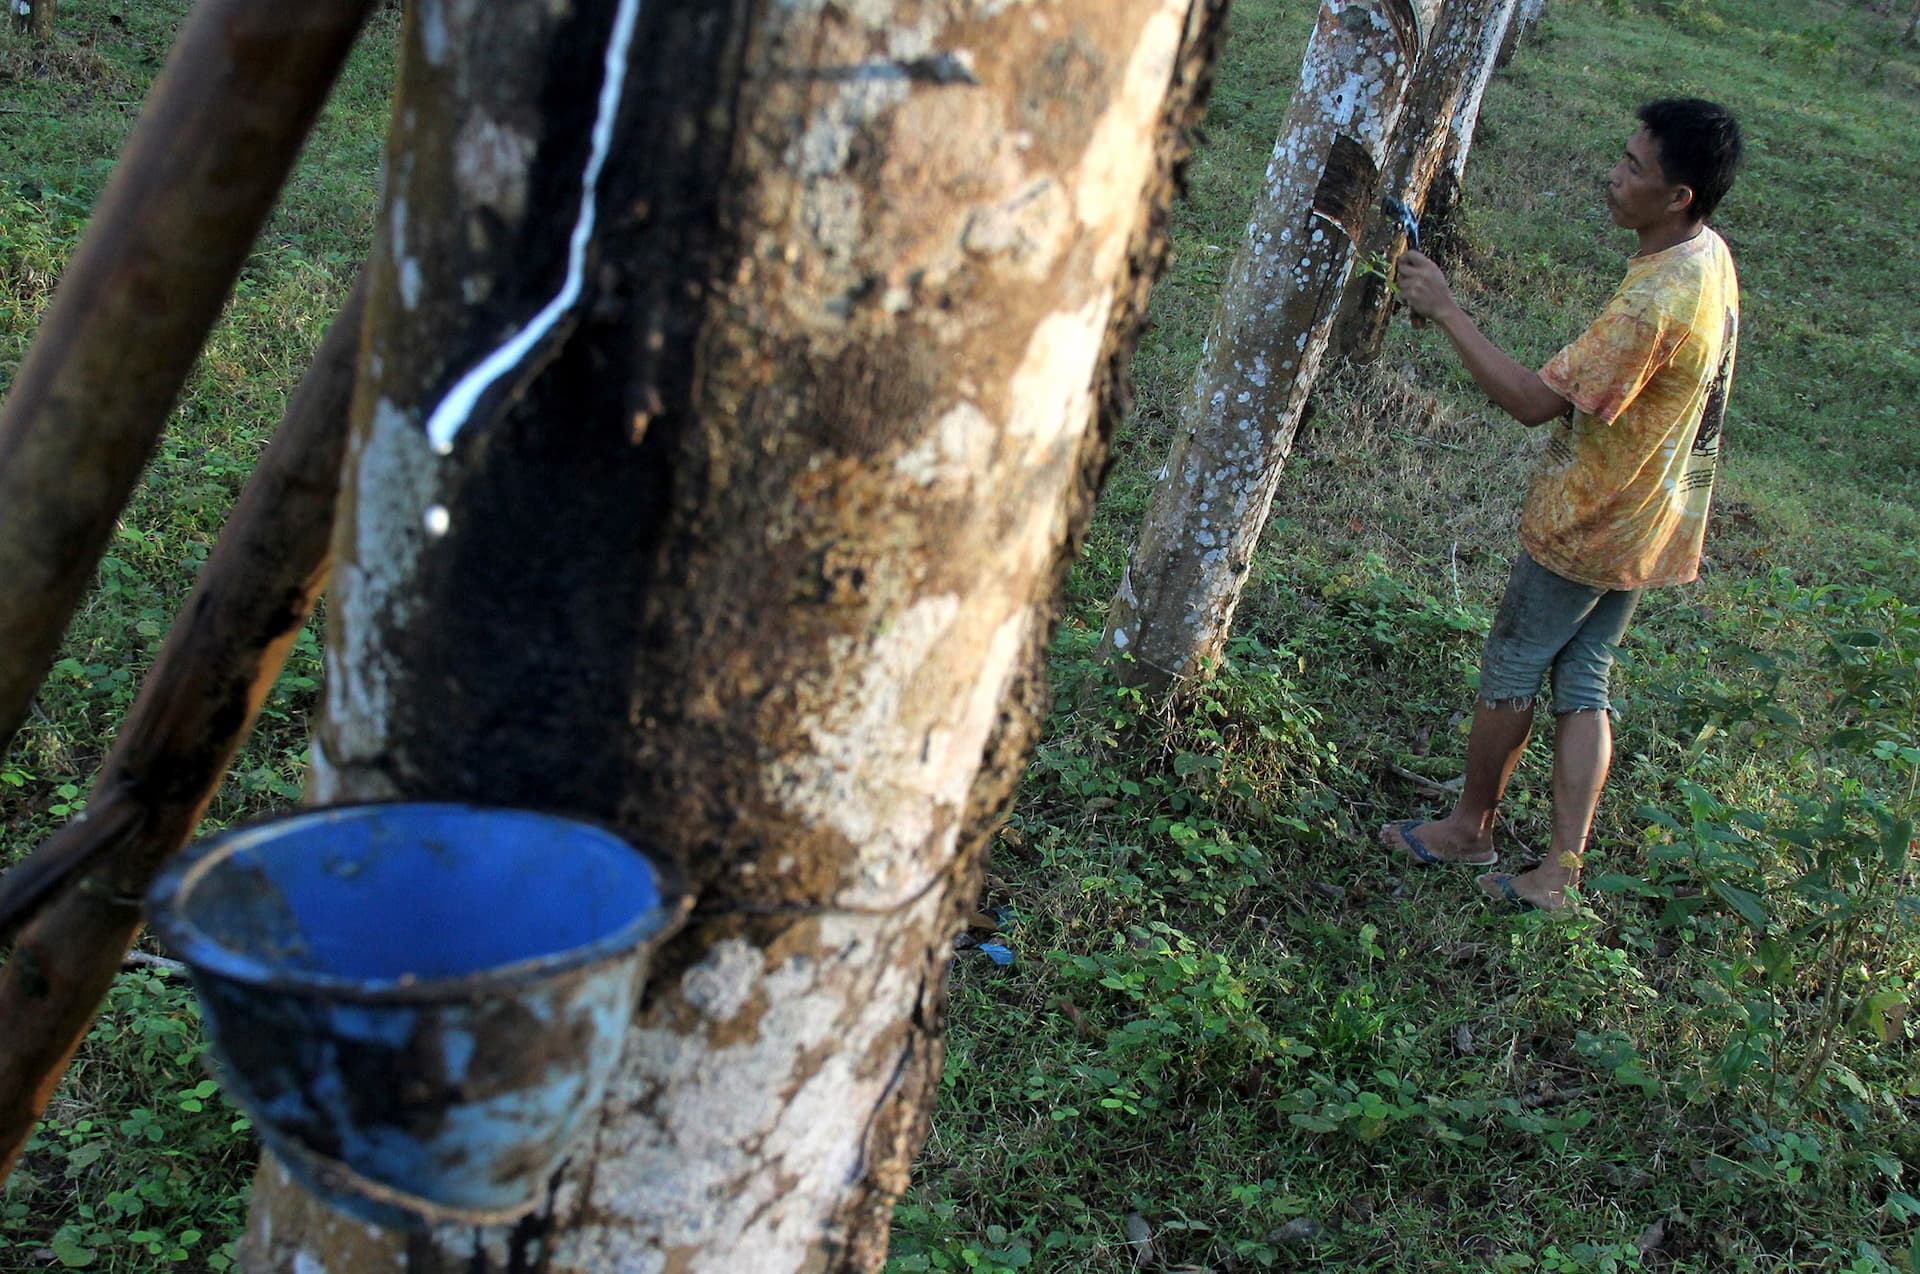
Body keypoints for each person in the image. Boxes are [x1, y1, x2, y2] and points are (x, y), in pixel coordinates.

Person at [1379, 98, 1744, 911]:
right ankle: (1559, 873)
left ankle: (1470, 829)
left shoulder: (1653, 304)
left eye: (1634, 168)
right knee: (1585, 680)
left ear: (1679, 196)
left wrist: (1445, 308)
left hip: (1590, 521)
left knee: (1513, 665)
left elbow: (1531, 402)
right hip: (1652, 517)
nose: (1613, 177)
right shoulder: (1707, 255)